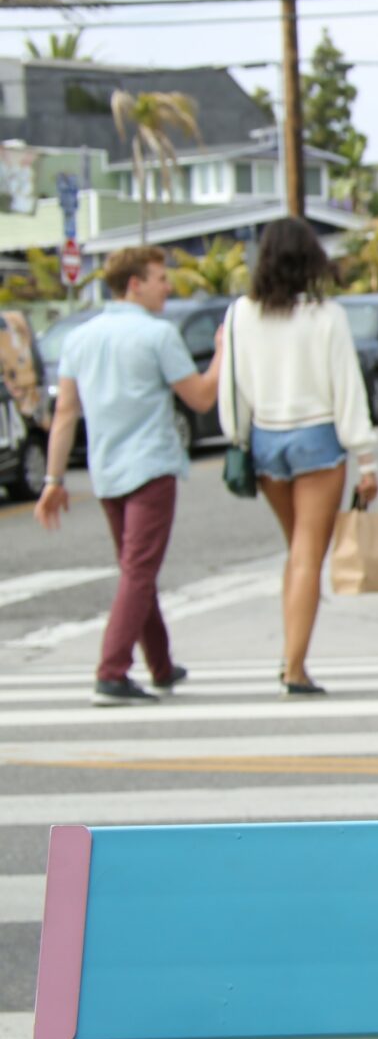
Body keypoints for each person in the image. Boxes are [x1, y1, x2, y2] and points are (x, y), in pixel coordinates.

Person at [34, 246, 223, 706]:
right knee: (138, 571)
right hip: (150, 467)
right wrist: (222, 355)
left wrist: (54, 480)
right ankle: (112, 671)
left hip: (107, 470)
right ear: (134, 284)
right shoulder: (158, 335)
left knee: (134, 568)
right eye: (160, 278)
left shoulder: (80, 337)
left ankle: (160, 664)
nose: (168, 286)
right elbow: (200, 398)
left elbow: (64, 413)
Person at [217, 217, 378, 697]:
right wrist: (366, 459)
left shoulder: (241, 314)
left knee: (297, 553)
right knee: (309, 555)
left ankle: (290, 651)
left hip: (267, 439)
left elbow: (234, 387)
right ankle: (295, 667)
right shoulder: (326, 316)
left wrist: (238, 437)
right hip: (317, 439)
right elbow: (348, 390)